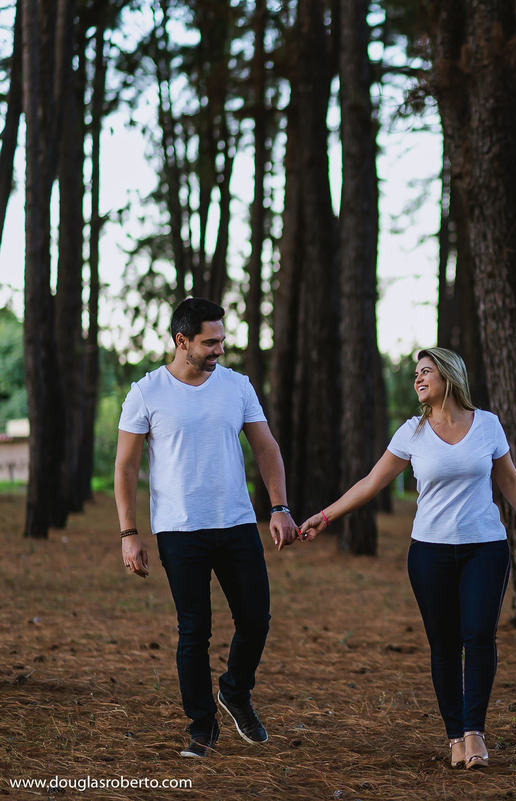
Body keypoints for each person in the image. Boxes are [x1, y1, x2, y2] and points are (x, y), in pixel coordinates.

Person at [298, 347, 516, 770]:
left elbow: (509, 480)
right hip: (430, 553)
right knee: (444, 645)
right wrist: (326, 516)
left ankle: (475, 731)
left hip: (485, 549)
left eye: (426, 372)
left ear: (449, 376)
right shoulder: (411, 432)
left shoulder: (486, 425)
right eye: (416, 373)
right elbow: (370, 483)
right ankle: (454, 734)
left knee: (479, 637)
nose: (418, 379)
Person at [115, 297, 299, 759]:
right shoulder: (147, 392)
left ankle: (235, 691)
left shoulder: (236, 387)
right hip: (179, 531)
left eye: (222, 339)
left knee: (256, 620)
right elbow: (124, 467)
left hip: (236, 524)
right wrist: (129, 534)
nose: (220, 349)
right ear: (182, 341)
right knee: (194, 631)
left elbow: (266, 448)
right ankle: (202, 726)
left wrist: (279, 507)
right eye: (210, 342)